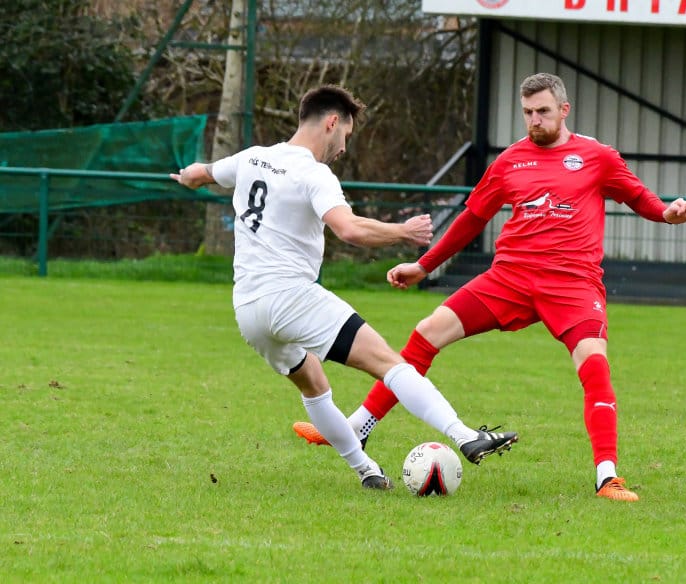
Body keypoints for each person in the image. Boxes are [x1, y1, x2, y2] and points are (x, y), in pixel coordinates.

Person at [293, 73, 686, 501]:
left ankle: (607, 477)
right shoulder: (510, 161)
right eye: (527, 112)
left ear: (564, 110)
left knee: (594, 364)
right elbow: (472, 218)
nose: (534, 120)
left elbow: (640, 198)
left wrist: (666, 212)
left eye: (543, 111)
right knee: (428, 331)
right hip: (510, 277)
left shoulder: (597, 156)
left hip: (572, 283)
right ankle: (358, 427)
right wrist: (423, 266)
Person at [170, 84, 517, 490]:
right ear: (332, 123)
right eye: (346, 136)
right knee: (391, 364)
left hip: (248, 310)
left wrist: (188, 177)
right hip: (292, 297)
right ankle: (465, 435)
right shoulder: (314, 174)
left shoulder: (253, 157)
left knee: (314, 384)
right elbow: (349, 229)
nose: (344, 148)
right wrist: (402, 231)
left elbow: (202, 172)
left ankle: (367, 471)